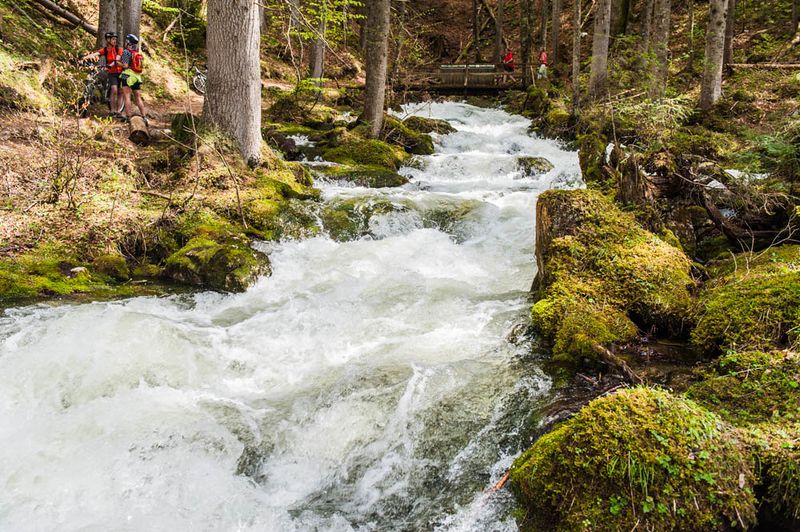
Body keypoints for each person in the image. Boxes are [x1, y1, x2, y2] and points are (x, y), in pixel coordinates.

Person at [83, 32, 123, 117]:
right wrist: (83, 59)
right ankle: (112, 111)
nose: (115, 41)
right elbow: (95, 54)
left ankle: (118, 111)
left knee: (120, 91)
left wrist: (110, 65)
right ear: (108, 40)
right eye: (113, 39)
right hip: (112, 73)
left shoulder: (119, 49)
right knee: (114, 89)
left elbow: (117, 59)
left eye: (115, 39)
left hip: (121, 72)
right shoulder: (105, 50)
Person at [119, 34, 147, 124]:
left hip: (126, 75)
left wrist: (117, 63)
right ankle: (144, 116)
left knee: (127, 97)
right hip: (137, 77)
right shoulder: (136, 53)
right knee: (138, 98)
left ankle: (128, 117)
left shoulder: (126, 52)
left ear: (128, 42)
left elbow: (125, 65)